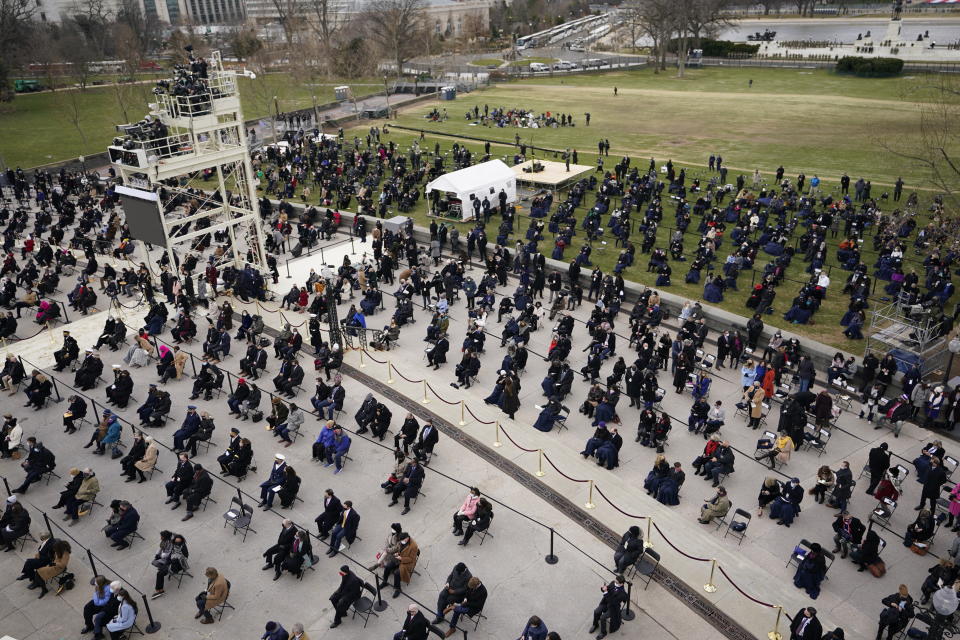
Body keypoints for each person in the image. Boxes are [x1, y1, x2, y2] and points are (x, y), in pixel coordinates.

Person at [379, 531, 419, 598]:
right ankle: (385, 582)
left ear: (407, 538)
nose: (400, 542)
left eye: (402, 540)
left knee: (397, 573)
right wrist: (395, 553)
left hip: (407, 562)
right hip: (399, 558)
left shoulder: (414, 546)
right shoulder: (401, 541)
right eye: (400, 541)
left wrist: (401, 558)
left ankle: (398, 589)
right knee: (388, 566)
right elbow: (397, 548)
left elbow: (411, 559)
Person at [152, 531, 189, 599]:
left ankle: (160, 590)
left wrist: (167, 565)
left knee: (160, 573)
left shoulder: (181, 549)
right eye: (175, 541)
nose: (176, 542)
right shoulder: (175, 546)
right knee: (158, 565)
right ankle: (159, 589)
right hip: (171, 562)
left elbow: (180, 559)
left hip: (177, 565)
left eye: (178, 542)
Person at [589, 575, 628, 640]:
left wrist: (606, 592)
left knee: (602, 617)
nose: (615, 582)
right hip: (606, 603)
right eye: (615, 580)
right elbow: (608, 588)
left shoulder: (622, 594)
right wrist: (603, 589)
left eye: (617, 582)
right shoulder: (613, 583)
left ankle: (603, 632)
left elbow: (612, 602)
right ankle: (595, 625)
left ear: (621, 584)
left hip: (613, 608)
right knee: (596, 611)